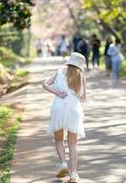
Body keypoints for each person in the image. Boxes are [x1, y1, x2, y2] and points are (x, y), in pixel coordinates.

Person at [43, 52, 86, 183]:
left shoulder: (60, 71)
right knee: (73, 143)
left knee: (58, 139)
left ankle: (63, 164)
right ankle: (73, 176)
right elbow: (83, 97)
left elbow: (44, 83)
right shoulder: (81, 76)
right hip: (74, 109)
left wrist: (57, 92)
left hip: (58, 106)